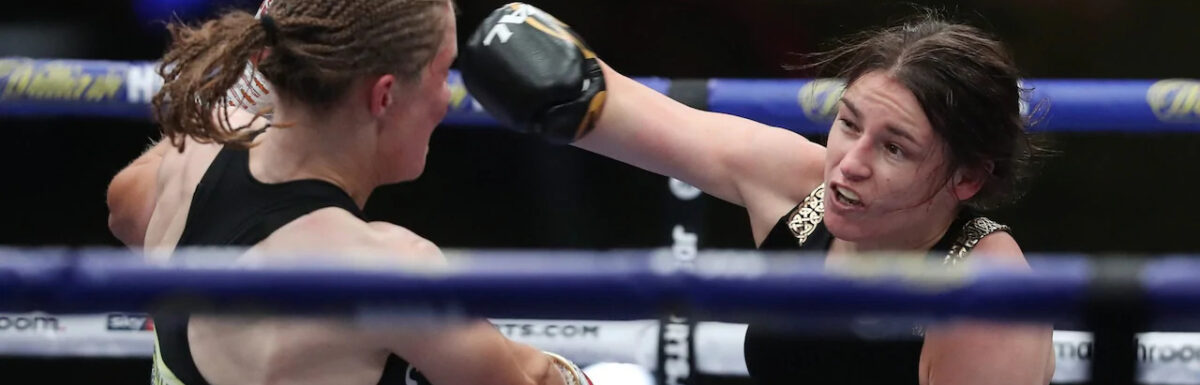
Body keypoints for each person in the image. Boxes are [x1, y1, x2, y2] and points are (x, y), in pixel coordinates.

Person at [459, 3, 1055, 384]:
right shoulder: (804, 189)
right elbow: (590, 99)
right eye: (848, 124)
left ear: (967, 178)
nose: (850, 163)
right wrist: (513, 38)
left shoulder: (986, 300)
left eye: (895, 148)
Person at [104, 1, 591, 384]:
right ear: (384, 95)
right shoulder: (384, 269)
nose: (448, 98)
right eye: (444, 73)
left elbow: (127, 208)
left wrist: (246, 91)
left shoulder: (207, 142)